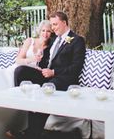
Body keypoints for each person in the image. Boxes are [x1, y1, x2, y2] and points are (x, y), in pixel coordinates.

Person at [12, 11, 86, 139]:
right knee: (20, 71)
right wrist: (39, 57)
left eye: (55, 24)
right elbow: (44, 53)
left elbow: (76, 67)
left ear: (64, 23)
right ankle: (26, 105)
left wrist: (54, 72)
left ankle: (31, 134)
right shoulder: (53, 40)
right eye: (52, 25)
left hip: (64, 78)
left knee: (47, 87)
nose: (53, 28)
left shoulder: (77, 40)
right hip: (47, 75)